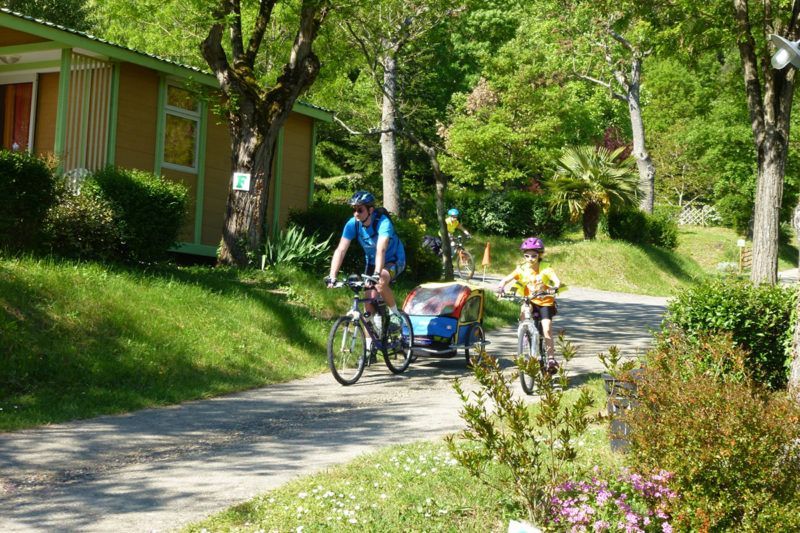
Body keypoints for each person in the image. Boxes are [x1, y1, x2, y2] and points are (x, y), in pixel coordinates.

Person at [326, 190, 406, 318]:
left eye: (360, 210)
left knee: (381, 281)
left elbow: (381, 250)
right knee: (368, 305)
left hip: (394, 260)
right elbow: (341, 250)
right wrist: (332, 276)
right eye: (354, 209)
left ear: (371, 210)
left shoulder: (384, 223)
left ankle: (395, 315)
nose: (356, 214)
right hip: (373, 262)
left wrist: (377, 274)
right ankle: (370, 338)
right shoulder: (353, 224)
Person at [496, 237, 561, 369]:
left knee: (547, 329)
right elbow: (506, 279)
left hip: (545, 302)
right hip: (530, 300)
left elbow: (556, 280)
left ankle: (551, 359)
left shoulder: (545, 268)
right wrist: (501, 286)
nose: (530, 259)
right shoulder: (522, 268)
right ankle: (525, 331)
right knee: (524, 310)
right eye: (527, 256)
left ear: (540, 255)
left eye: (533, 256)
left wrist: (554, 287)